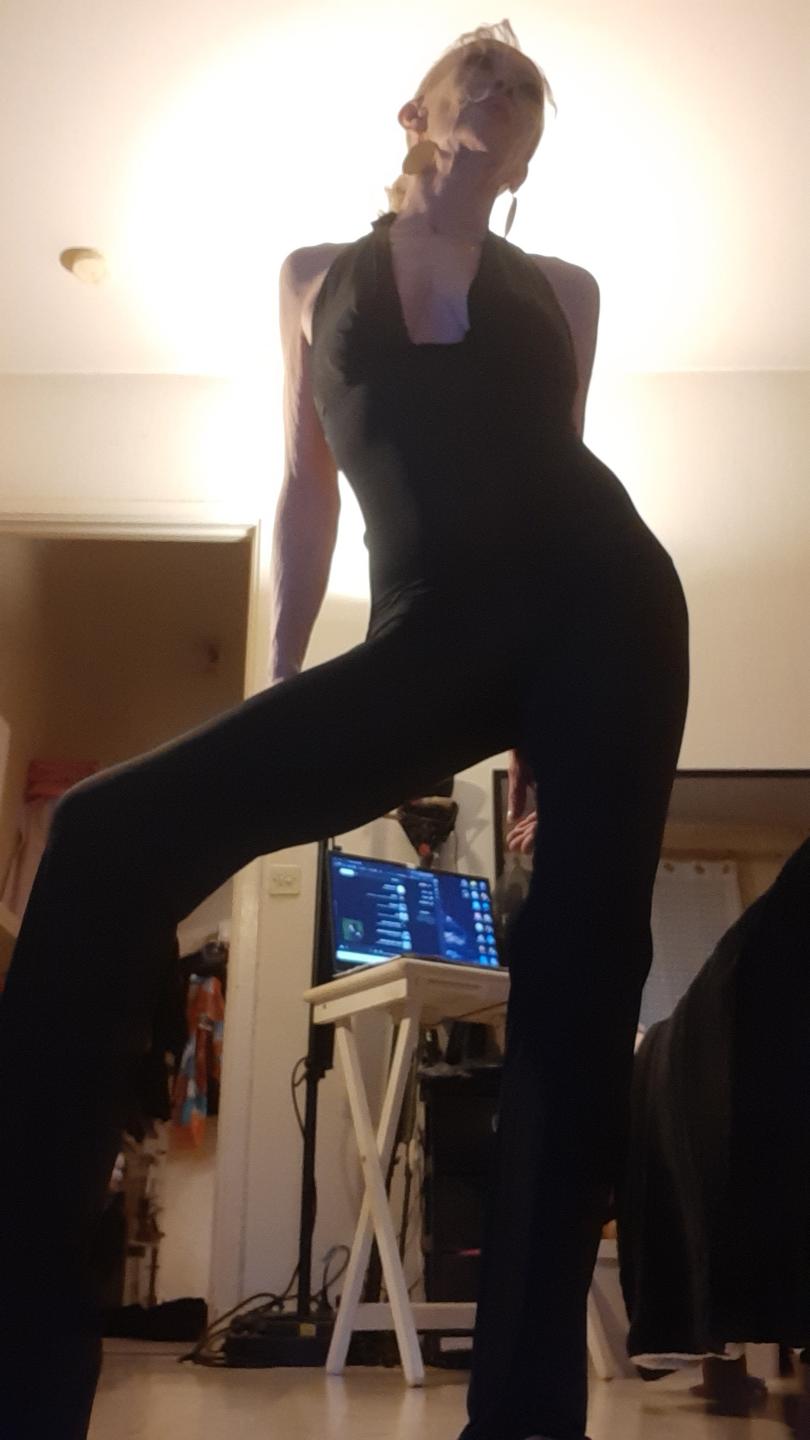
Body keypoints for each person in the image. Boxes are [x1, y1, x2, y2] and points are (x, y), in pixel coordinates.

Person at [0, 18, 689, 1440]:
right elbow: (305, 483)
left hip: (607, 611)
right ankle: (21, 1370)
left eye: (524, 92)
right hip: (427, 626)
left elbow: (560, 473)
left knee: (574, 989)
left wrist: (543, 753)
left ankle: (524, 1420)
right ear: (415, 113)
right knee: (99, 833)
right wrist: (277, 682)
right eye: (477, 73)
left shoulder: (564, 289)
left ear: (524, 161)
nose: (500, 89)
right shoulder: (314, 276)